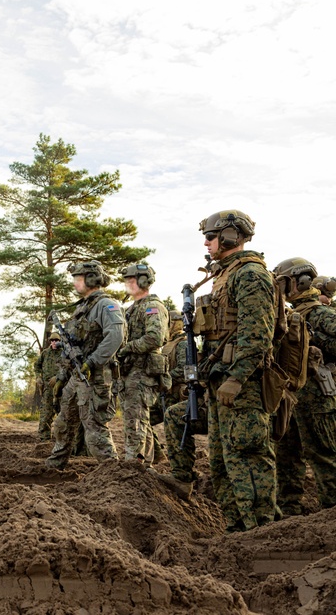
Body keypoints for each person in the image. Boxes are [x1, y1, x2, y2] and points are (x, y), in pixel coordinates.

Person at [193, 209, 276, 532]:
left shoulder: (250, 274)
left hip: (242, 385)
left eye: (211, 237)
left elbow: (258, 335)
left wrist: (237, 378)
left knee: (247, 454)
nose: (206, 243)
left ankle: (260, 529)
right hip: (221, 379)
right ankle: (237, 526)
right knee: (221, 458)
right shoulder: (224, 275)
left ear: (231, 236)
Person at [45, 260, 124, 469]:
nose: (74, 283)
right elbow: (71, 346)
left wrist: (92, 362)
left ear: (91, 279)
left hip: (94, 377)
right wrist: (62, 376)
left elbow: (116, 336)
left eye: (77, 278)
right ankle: (55, 465)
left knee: (95, 430)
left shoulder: (106, 305)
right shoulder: (83, 307)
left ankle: (113, 472)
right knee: (63, 423)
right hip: (76, 376)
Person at [272, 257, 336, 514]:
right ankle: (290, 513)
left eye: (284, 283)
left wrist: (312, 341)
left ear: (300, 281)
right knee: (286, 458)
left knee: (323, 455)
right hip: (292, 397)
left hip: (317, 397)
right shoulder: (289, 314)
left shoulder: (319, 313)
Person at [117, 263, 170, 463]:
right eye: (126, 280)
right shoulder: (131, 309)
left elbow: (154, 338)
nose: (127, 284)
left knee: (136, 422)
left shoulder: (152, 306)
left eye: (131, 280)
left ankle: (135, 465)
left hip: (142, 372)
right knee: (138, 420)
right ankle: (152, 459)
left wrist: (127, 348)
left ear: (143, 281)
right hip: (131, 371)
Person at [156, 310, 207, 499]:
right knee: (144, 416)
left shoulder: (184, 343)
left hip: (178, 394)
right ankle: (155, 455)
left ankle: (183, 474)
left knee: (175, 420)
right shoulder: (167, 345)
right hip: (166, 393)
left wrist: (164, 378)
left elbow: (187, 371)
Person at [34, 331, 62, 442]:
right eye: (52, 340)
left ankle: (63, 442)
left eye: (56, 340)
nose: (54, 342)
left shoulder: (64, 354)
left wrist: (58, 377)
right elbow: (37, 366)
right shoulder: (45, 353)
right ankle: (44, 441)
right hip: (47, 389)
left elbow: (70, 369)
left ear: (60, 341)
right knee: (45, 415)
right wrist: (38, 377)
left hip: (62, 389)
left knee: (64, 416)